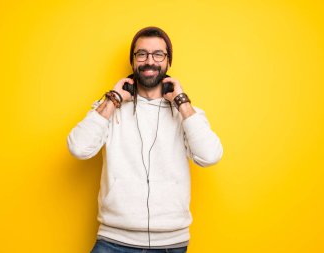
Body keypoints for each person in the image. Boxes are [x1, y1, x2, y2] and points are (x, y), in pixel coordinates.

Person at [67, 26, 223, 253]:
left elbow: (210, 156)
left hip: (171, 244)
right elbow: (79, 148)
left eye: (158, 54)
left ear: (168, 61)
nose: (150, 61)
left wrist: (181, 101)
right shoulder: (110, 108)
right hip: (114, 241)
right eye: (142, 54)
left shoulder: (187, 112)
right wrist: (113, 98)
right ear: (133, 61)